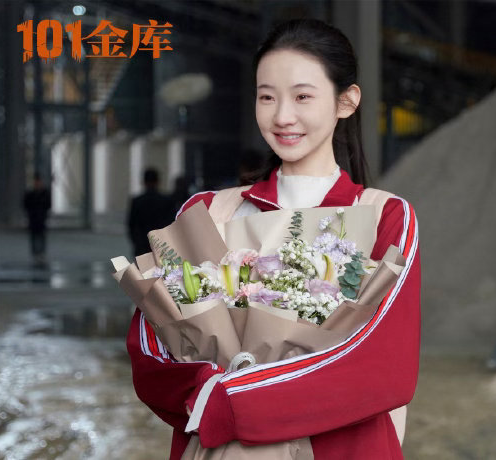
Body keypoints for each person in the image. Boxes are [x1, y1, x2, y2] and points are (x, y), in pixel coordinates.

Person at [126, 19, 421, 459]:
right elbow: (151, 344)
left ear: (346, 101)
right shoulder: (207, 212)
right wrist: (203, 391)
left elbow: (382, 362)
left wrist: (231, 402)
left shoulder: (385, 216)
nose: (282, 116)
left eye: (303, 97)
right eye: (267, 97)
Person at [127, 168, 175, 257]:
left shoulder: (137, 201)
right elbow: (171, 223)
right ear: (158, 181)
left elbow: (131, 225)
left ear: (144, 182)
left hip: (142, 246)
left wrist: (137, 242)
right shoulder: (166, 201)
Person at [23, 172, 51, 265]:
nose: (37, 183)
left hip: (41, 218)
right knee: (34, 237)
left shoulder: (44, 193)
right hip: (34, 218)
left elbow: (48, 205)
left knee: (41, 236)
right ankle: (35, 253)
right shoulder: (31, 193)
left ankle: (41, 253)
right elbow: (26, 204)